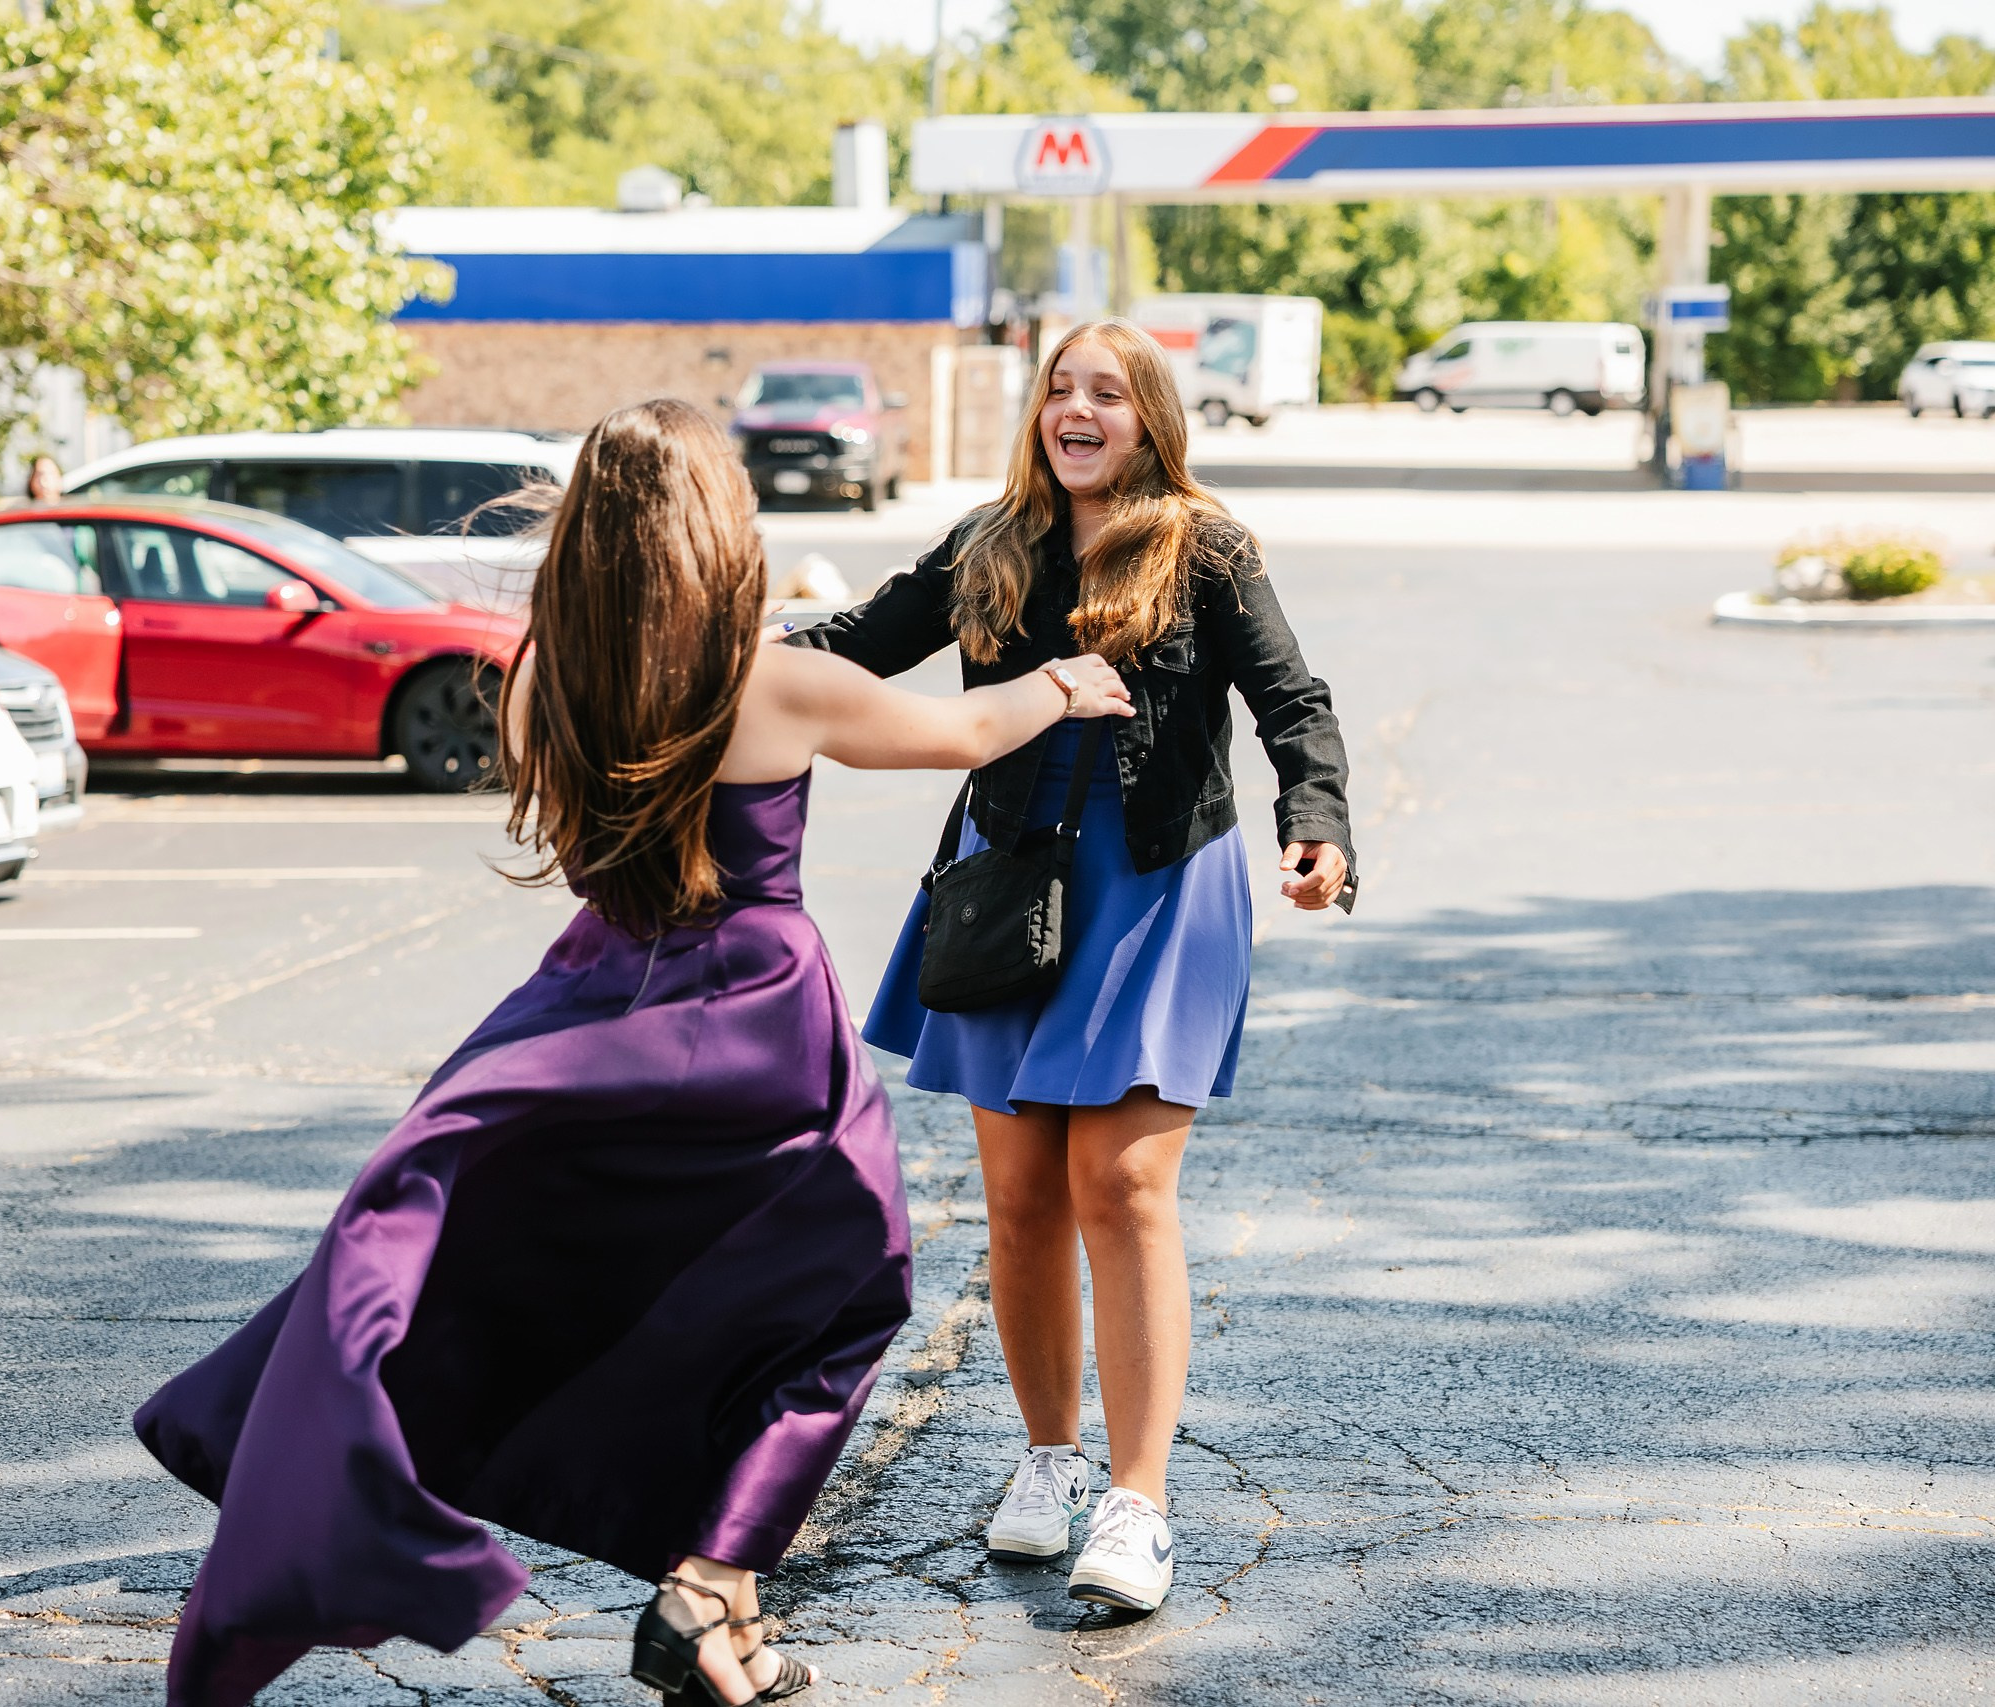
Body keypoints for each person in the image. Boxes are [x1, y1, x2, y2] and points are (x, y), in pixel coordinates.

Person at [130, 397, 1135, 1707]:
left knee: (601, 1284)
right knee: (841, 1299)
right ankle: (708, 1592)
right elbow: (953, 733)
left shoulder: (550, 674)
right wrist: (1064, 682)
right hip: (754, 1019)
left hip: (597, 999)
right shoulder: (762, 680)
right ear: (714, 530)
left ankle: (726, 1631)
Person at [784, 319, 1356, 1615]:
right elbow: (859, 647)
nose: (1076, 408)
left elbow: (1290, 702)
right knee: (1021, 1198)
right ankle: (1048, 1464)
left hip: (1161, 886)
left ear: (1152, 418)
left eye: (1108, 391)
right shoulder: (992, 544)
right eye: (1060, 389)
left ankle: (1138, 1500)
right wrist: (699, 670)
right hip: (1009, 892)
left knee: (1124, 1182)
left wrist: (1314, 821)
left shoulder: (1200, 545)